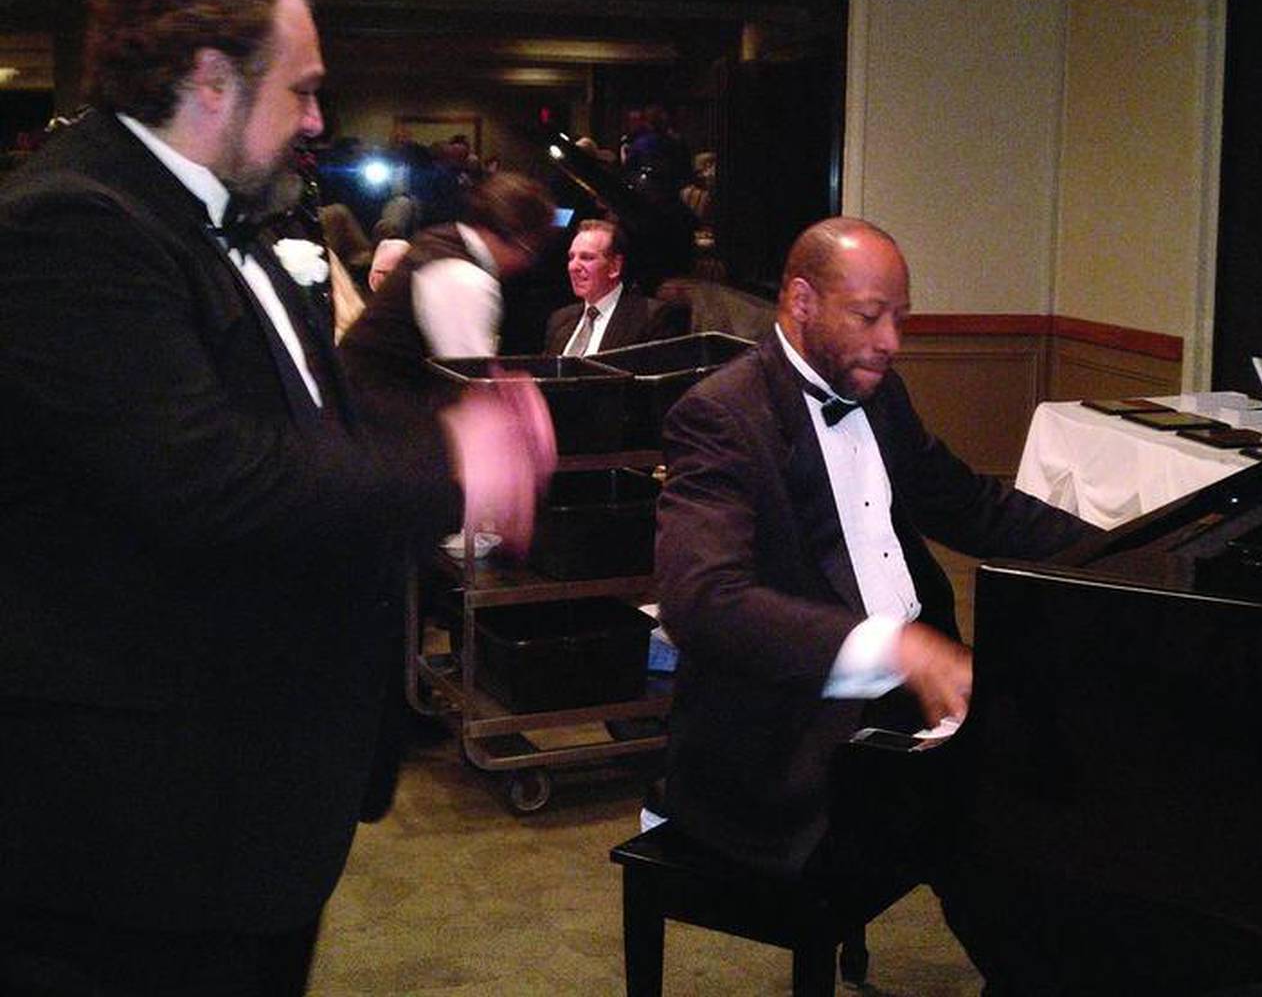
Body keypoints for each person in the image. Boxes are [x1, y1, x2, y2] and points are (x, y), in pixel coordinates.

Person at [0, 0, 554, 995]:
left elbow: (313, 434)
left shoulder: (237, 223)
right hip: (131, 830)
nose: (313, 120)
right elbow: (211, 480)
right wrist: (456, 462)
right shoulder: (72, 224)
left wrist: (437, 439)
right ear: (210, 79)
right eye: (300, 91)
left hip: (246, 801)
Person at [653, 216, 1090, 983]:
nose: (892, 340)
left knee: (1058, 800)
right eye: (869, 316)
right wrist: (894, 648)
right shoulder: (720, 417)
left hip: (899, 702)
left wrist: (1120, 554)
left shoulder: (881, 395)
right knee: (992, 833)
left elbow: (970, 504)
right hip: (790, 728)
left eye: (902, 318)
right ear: (800, 300)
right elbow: (704, 602)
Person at [340, 171, 555, 413]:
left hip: (356, 407)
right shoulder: (464, 277)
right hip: (370, 421)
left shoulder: (439, 238)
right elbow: (475, 391)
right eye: (529, 250)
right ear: (516, 237)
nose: (526, 262)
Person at [542, 218, 686, 355]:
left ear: (614, 267)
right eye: (571, 257)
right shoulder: (559, 320)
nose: (573, 267)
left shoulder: (652, 318)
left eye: (587, 257)